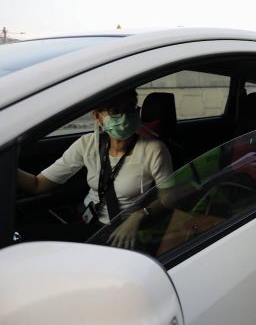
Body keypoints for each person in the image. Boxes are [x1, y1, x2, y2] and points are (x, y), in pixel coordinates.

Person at [17, 89, 173, 248]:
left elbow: (169, 198)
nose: (124, 117)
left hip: (118, 232)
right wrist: (8, 169)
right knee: (23, 235)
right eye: (115, 111)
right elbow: (37, 184)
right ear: (98, 117)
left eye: (130, 109)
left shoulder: (153, 150)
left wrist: (138, 216)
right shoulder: (87, 144)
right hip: (85, 220)